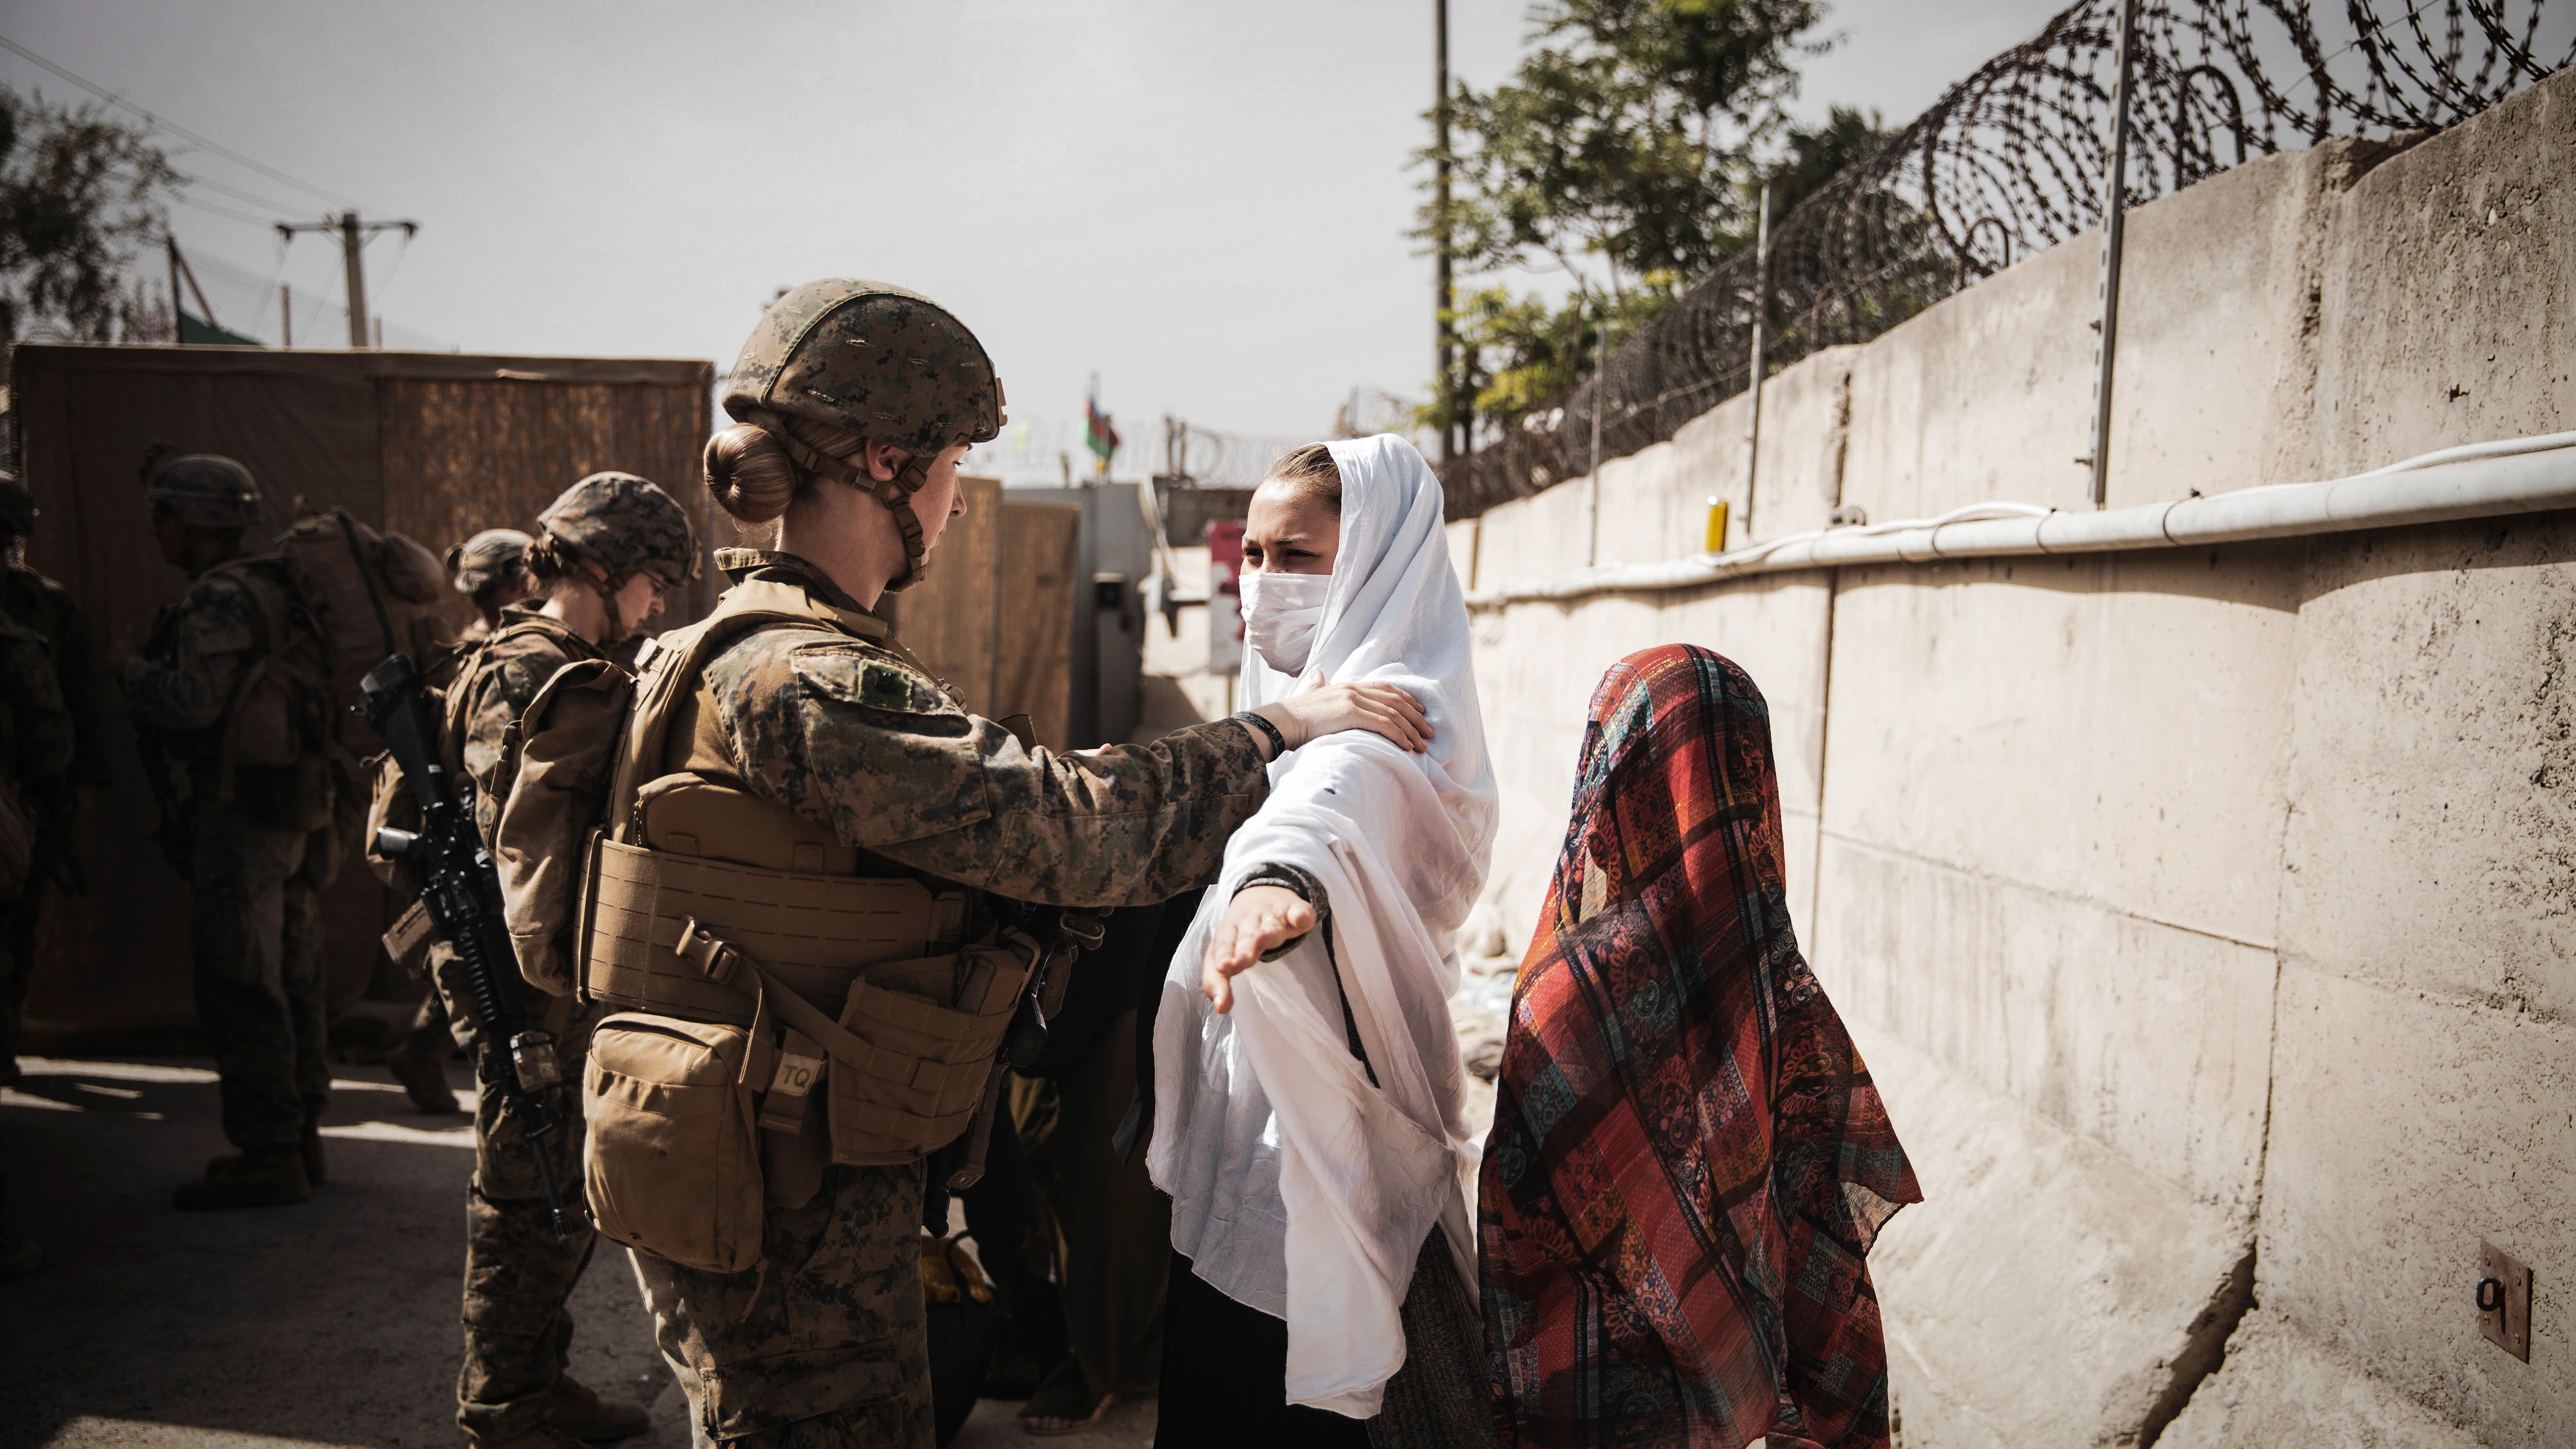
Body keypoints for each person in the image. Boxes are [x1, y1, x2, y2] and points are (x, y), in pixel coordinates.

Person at [549, 278, 1428, 1449]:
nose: (960, 502)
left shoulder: (725, 650)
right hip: (782, 1188)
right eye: (952, 464)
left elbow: (964, 812)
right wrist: (1278, 731)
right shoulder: (804, 679)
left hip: (749, 1151)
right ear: (883, 462)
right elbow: (1082, 839)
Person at [1477, 645, 1922, 1449]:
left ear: (1612, 771)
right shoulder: (1780, 988)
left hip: (1590, 1403)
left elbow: (1520, 1220)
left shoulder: (1566, 991)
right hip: (1729, 1401)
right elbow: (1814, 1226)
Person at [1149, 435, 1495, 1448]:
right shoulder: (1299, 712)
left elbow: (1332, 810)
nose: (1264, 583)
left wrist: (1271, 884)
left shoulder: (1388, 721)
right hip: (1257, 1137)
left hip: (1307, 1159)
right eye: (1253, 555)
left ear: (1380, 559)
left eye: (1298, 557)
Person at [426, 476, 693, 1449]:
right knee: (529, 1190)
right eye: (653, 579)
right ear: (601, 567)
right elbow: (528, 849)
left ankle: (533, 1381)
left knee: (550, 1189)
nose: (659, 601)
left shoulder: (510, 651)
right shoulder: (543, 671)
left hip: (518, 969)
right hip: (532, 981)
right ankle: (505, 1403)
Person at [121, 451, 335, 1210]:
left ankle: (269, 1150)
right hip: (299, 806)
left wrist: (130, 675)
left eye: (164, 516)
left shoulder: (219, 595)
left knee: (240, 981)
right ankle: (303, 1132)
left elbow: (193, 704)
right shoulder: (281, 585)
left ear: (196, 519)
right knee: (295, 974)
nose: (158, 532)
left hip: (243, 814)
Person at [386, 526, 540, 1117]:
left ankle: (420, 1051)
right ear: (506, 582)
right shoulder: (502, 660)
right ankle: (425, 1053)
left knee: (470, 956)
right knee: (479, 962)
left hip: (475, 837)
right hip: (481, 838)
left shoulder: (469, 654)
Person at [0, 469, 105, 1086]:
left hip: (31, 791)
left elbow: (81, 705)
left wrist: (78, 790)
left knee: (18, 922)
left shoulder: (50, 604)